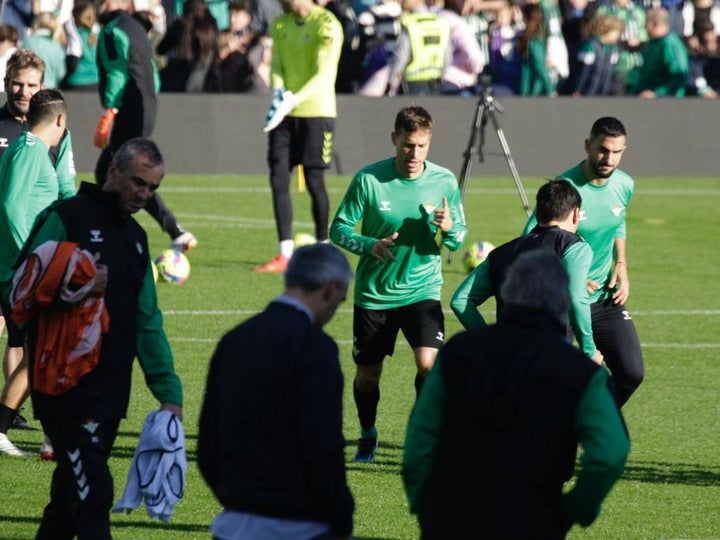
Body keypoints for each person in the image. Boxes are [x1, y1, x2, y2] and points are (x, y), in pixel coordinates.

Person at [16, 137, 183, 538]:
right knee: (94, 497)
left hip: (111, 390)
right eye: (138, 183)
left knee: (67, 505)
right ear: (113, 171)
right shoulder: (67, 217)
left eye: (153, 188)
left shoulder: (137, 240)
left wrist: (169, 391)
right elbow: (20, 291)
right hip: (64, 389)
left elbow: (148, 321)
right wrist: (75, 286)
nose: (144, 194)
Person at [403, 250, 630, 539]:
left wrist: (423, 499)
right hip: (533, 517)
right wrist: (577, 508)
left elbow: (420, 435)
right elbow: (611, 452)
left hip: (450, 513)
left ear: (507, 295)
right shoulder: (581, 373)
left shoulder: (457, 352)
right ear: (563, 301)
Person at [329, 105, 467, 463]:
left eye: (421, 146)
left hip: (423, 290)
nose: (414, 154)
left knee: (428, 364)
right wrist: (368, 245)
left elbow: (457, 240)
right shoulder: (369, 180)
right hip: (375, 295)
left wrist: (450, 229)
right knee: (368, 375)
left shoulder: (445, 182)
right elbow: (338, 229)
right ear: (395, 139)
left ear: (429, 142)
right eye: (408, 145)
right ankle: (367, 433)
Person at [198, 242, 355, 540]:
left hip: (234, 524)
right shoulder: (315, 347)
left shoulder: (235, 339)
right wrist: (340, 517)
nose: (335, 310)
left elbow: (209, 441)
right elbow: (323, 443)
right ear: (331, 289)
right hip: (301, 525)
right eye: (340, 301)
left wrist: (236, 500)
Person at [522, 116, 643, 407]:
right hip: (563, 301)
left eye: (616, 152)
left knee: (631, 373)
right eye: (602, 149)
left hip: (603, 298)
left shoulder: (624, 185)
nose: (608, 159)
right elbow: (529, 241)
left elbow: (618, 222)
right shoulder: (564, 190)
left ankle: (590, 424)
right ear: (588, 145)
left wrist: (621, 263)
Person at [451, 178, 602, 364]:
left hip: (506, 360)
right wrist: (588, 350)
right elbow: (576, 298)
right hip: (549, 360)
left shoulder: (500, 252)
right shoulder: (574, 246)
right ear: (576, 213)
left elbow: (460, 301)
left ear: (538, 212)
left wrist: (491, 341)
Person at [0, 87, 74, 457]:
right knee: (45, 351)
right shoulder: (31, 151)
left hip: (21, 270)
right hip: (23, 272)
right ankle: (46, 434)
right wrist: (30, 259)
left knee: (38, 352)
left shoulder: (27, 147)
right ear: (59, 119)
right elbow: (13, 207)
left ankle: (46, 434)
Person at [94, 0, 198, 252]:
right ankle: (105, 229)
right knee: (107, 170)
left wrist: (110, 109)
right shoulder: (135, 28)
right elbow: (152, 71)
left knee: (124, 173)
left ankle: (173, 230)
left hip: (129, 107)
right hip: (146, 105)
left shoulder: (112, 30)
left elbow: (117, 72)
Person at [255, 0, 343, 272]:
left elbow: (324, 74)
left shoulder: (327, 24)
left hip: (316, 113)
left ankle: (324, 246)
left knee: (315, 180)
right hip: (284, 115)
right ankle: (285, 252)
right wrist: (278, 94)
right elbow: (277, 65)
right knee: (278, 177)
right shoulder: (280, 23)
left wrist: (293, 99)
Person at [627, 6, 689, 97]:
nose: (645, 28)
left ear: (656, 24)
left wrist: (657, 93)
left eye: (646, 24)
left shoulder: (670, 45)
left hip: (665, 103)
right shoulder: (653, 44)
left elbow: (678, 77)